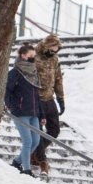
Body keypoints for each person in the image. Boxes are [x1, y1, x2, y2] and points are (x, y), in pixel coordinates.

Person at [5, 41, 44, 175]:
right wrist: (11, 105)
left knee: (36, 142)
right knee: (27, 141)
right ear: (22, 56)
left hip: (34, 113)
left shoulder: (33, 72)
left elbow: (37, 95)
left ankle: (17, 161)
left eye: (34, 55)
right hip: (20, 112)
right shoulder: (15, 73)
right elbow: (6, 90)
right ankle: (26, 170)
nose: (33, 57)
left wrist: (42, 114)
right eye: (30, 55)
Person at [31, 33, 66, 175]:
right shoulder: (34, 57)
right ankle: (42, 160)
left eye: (57, 49)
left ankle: (34, 152)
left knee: (54, 130)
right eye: (52, 49)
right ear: (46, 46)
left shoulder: (55, 59)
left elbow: (58, 79)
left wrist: (61, 98)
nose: (54, 52)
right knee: (38, 130)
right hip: (36, 98)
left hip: (49, 98)